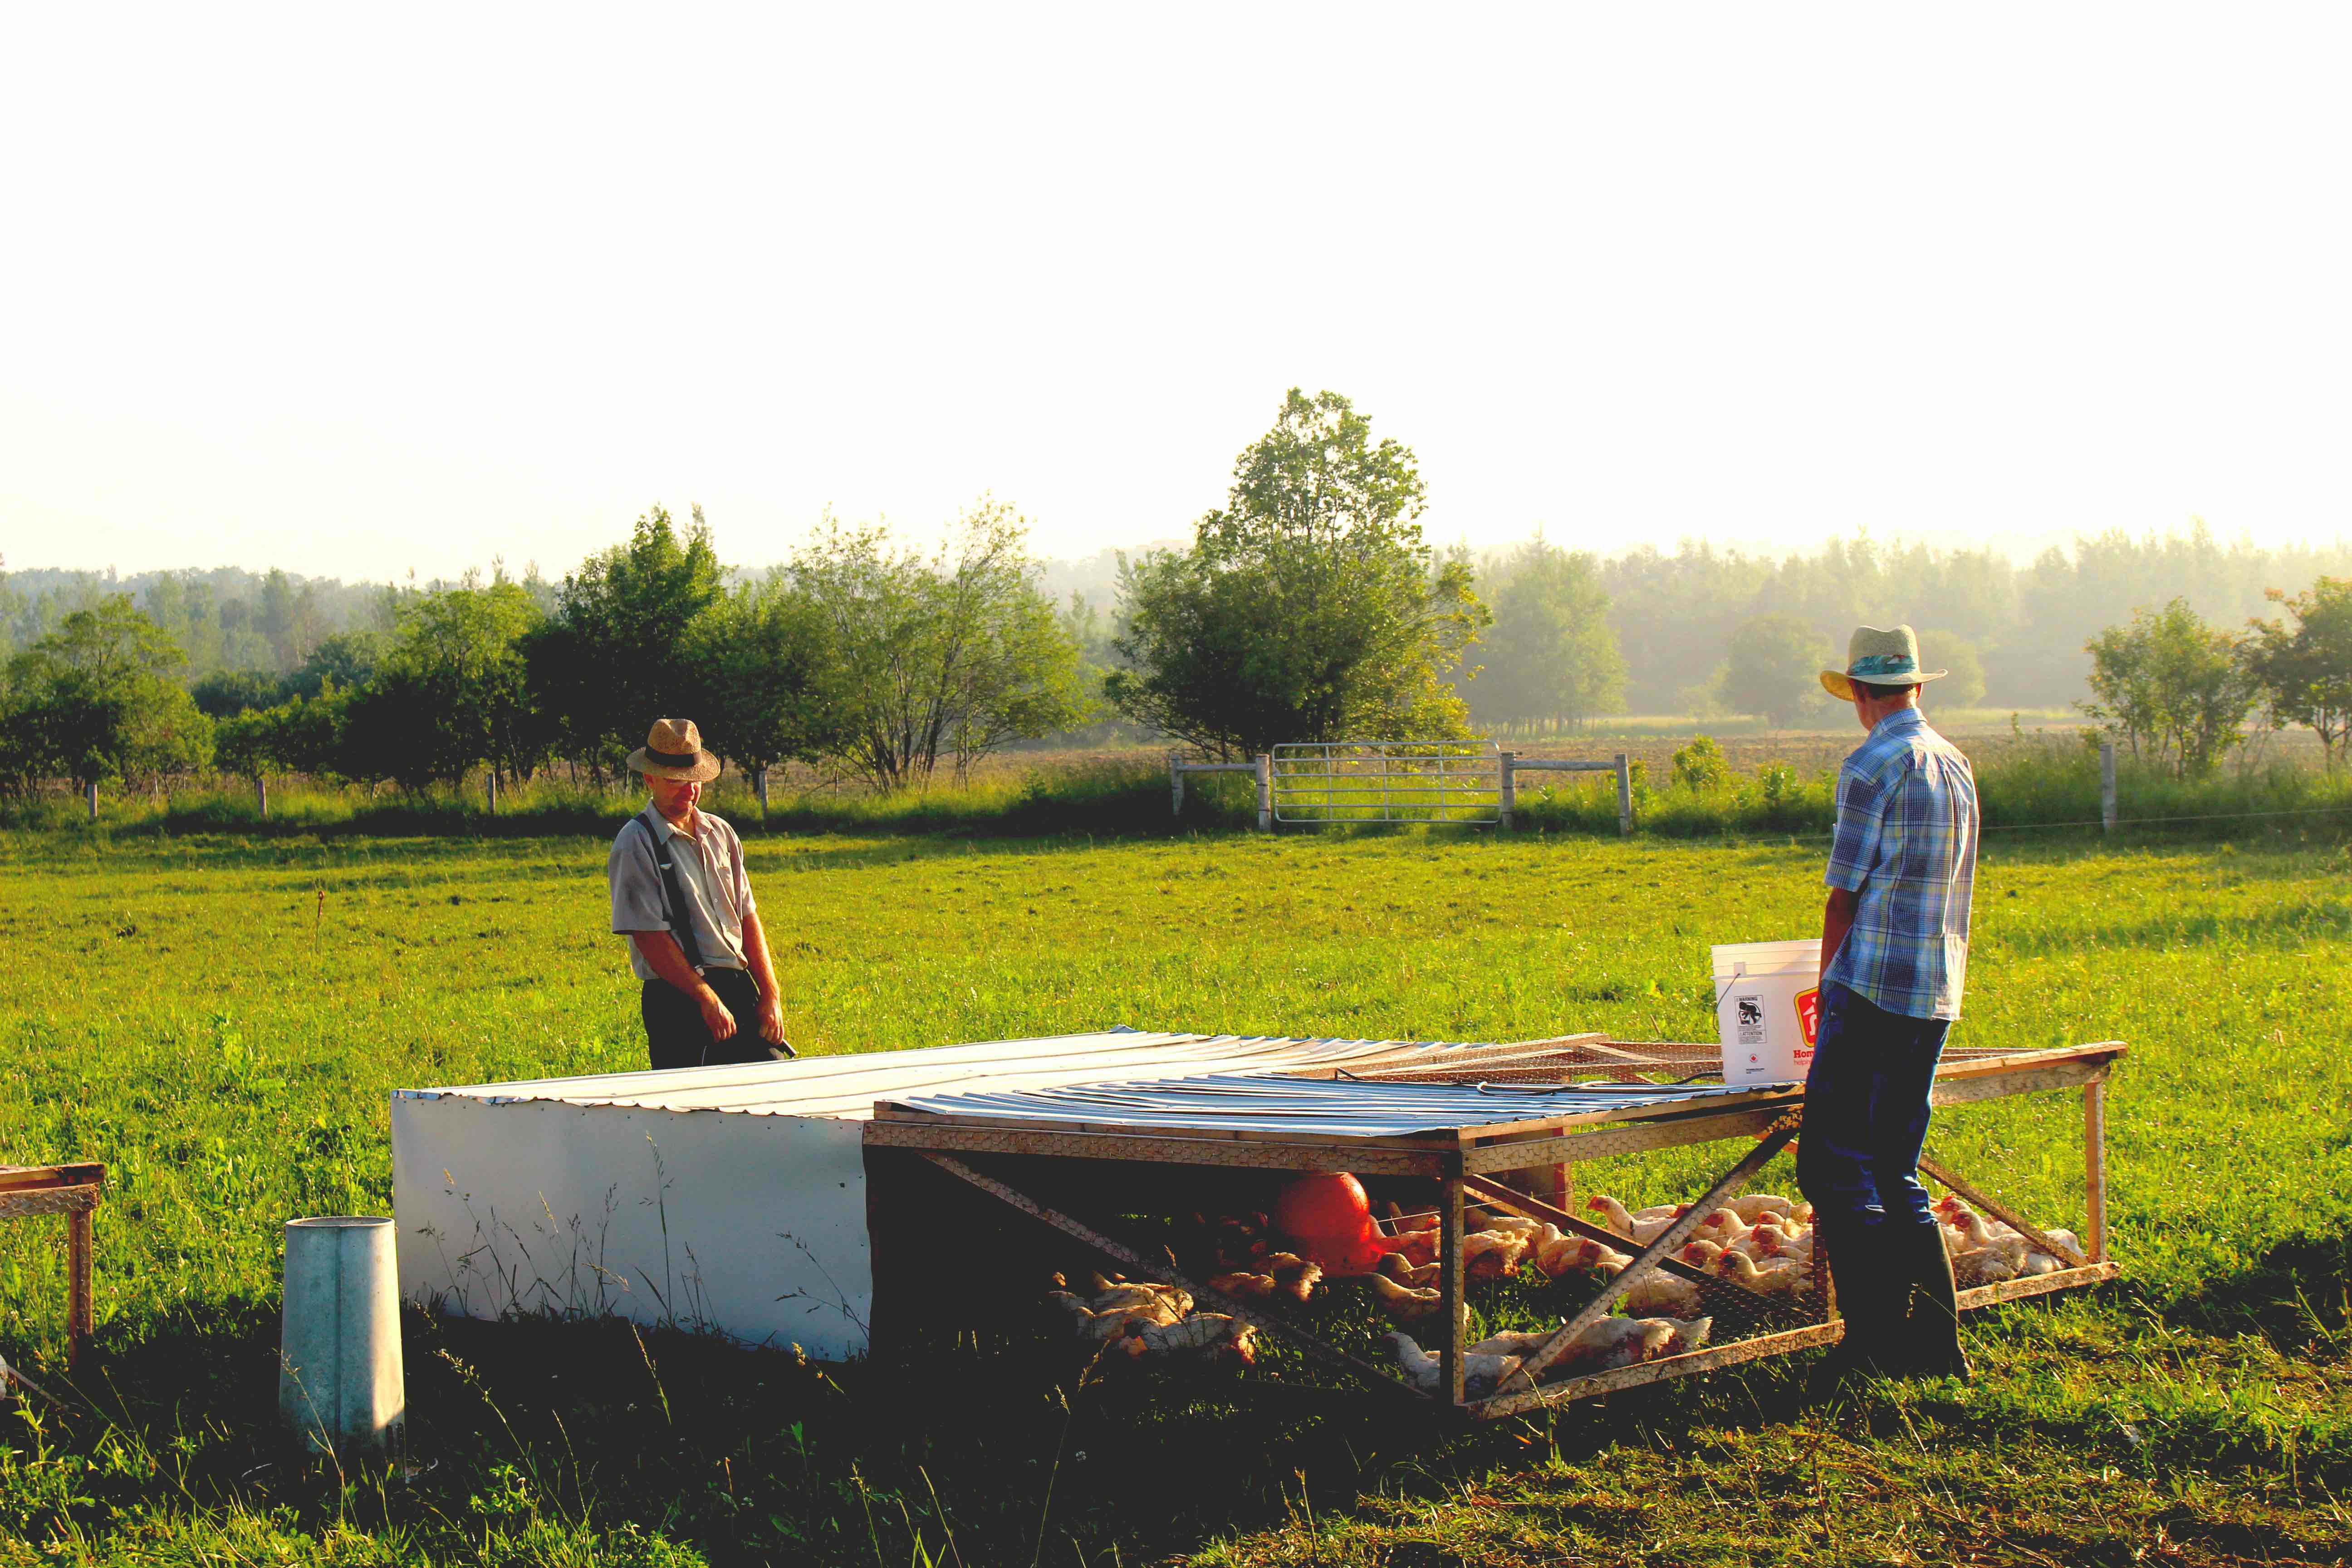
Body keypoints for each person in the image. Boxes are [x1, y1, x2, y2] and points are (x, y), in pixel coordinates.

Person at [1799, 625, 1979, 1387]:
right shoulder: (1955, 763)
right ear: (1916, 688)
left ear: (1862, 695)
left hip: (1868, 983)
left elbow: (1842, 891)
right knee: (1894, 1165)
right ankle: (1936, 1346)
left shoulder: (1870, 763)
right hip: (1933, 986)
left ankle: (1870, 1344)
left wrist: (1824, 982)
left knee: (1833, 1165)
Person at [606, 718, 794, 1070]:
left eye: (694, 782)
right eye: (676, 782)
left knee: (771, 1090)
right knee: (690, 1113)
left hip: (738, 988)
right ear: (650, 779)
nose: (689, 791)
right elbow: (649, 936)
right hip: (677, 998)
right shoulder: (635, 842)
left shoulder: (722, 833)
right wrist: (705, 998)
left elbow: (748, 917)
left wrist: (770, 995)